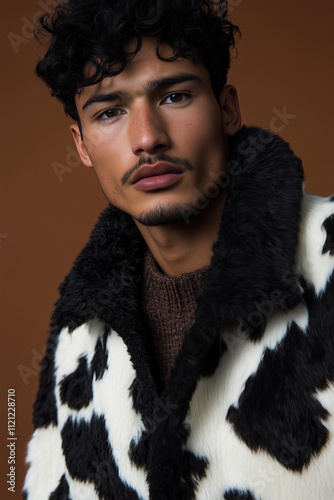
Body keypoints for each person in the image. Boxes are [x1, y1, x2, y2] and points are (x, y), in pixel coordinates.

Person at [24, 1, 334, 499]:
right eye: (110, 111)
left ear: (227, 109)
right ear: (82, 146)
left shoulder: (328, 258)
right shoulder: (78, 337)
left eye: (174, 96)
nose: (147, 138)